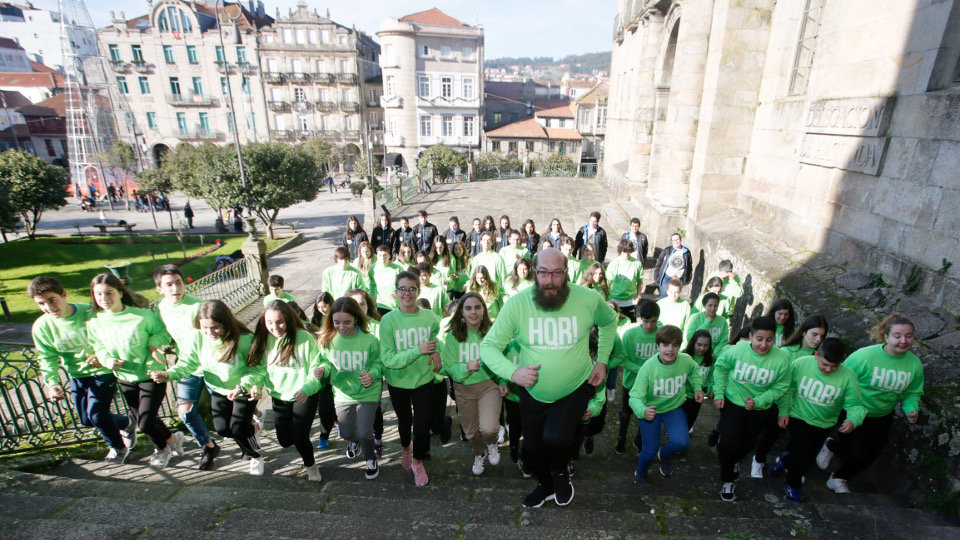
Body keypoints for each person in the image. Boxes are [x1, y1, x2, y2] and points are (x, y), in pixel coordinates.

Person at [480, 248, 617, 508]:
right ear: (534, 272)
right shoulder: (518, 304)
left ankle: (561, 473)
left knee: (556, 438)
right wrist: (513, 372)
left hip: (576, 386)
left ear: (567, 273)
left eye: (557, 273)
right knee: (531, 454)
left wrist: (602, 360)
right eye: (543, 273)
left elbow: (609, 322)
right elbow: (488, 348)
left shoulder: (588, 298)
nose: (550, 280)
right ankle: (546, 484)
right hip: (533, 392)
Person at [30, 276, 137, 464]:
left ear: (63, 295)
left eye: (52, 300)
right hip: (77, 375)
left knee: (97, 415)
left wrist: (102, 356)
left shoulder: (88, 312)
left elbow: (113, 334)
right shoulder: (41, 327)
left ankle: (118, 448)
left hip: (102, 370)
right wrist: (52, 383)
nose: (49, 307)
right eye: (41, 304)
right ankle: (126, 423)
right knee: (87, 420)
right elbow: (47, 357)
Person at [816, 313, 923, 495]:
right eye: (897, 336)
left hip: (882, 414)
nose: (903, 341)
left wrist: (911, 409)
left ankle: (838, 478)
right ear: (886, 337)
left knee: (871, 454)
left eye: (909, 336)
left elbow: (912, 392)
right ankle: (832, 445)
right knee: (853, 450)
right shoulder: (864, 357)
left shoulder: (914, 364)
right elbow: (841, 378)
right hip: (854, 410)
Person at [152, 301, 264, 472]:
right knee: (224, 429)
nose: (209, 332)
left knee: (238, 428)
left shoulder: (243, 339)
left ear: (226, 323)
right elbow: (188, 363)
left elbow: (258, 367)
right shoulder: (197, 337)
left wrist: (244, 385)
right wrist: (169, 374)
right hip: (219, 389)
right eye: (205, 327)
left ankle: (255, 456)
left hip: (243, 389)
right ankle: (252, 428)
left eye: (215, 327)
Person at [86, 273, 184, 467]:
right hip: (125, 378)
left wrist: (153, 345)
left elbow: (163, 333)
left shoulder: (142, 316)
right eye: (98, 295)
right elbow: (98, 346)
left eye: (109, 293)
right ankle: (173, 440)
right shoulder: (95, 321)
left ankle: (163, 451)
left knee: (144, 423)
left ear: (120, 293)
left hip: (151, 374)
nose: (104, 299)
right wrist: (107, 360)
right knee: (148, 418)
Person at [768, 338, 866, 502]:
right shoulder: (801, 364)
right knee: (804, 457)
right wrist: (784, 411)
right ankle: (793, 485)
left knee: (802, 450)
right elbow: (786, 388)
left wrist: (853, 420)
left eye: (834, 366)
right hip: (798, 416)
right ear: (816, 355)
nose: (828, 369)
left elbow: (857, 405)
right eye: (824, 364)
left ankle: (785, 460)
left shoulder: (849, 377)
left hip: (824, 423)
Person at [711, 316, 792, 501]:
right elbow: (721, 368)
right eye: (759, 339)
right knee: (727, 443)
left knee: (748, 444)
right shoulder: (737, 350)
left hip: (759, 409)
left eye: (769, 340)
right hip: (733, 403)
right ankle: (728, 479)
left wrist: (760, 400)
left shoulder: (781, 359)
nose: (763, 344)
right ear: (751, 336)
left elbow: (782, 387)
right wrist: (719, 393)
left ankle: (733, 461)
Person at [153, 265, 219, 469]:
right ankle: (208, 446)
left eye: (178, 282)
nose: (175, 288)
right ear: (160, 289)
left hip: (212, 366)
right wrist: (155, 344)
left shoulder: (199, 306)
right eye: (169, 284)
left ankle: (250, 437)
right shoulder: (160, 307)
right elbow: (164, 331)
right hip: (187, 366)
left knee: (228, 415)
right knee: (186, 412)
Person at [379, 271, 442, 486]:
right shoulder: (388, 321)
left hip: (424, 379)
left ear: (419, 291)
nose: (407, 293)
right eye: (402, 289)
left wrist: (435, 351)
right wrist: (418, 350)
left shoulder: (428, 316)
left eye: (412, 288)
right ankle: (406, 447)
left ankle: (418, 460)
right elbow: (388, 359)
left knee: (423, 425)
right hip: (398, 382)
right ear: (395, 293)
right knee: (405, 422)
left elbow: (435, 336)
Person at [249, 300, 323, 480]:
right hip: (279, 395)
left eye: (280, 321)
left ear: (289, 319)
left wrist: (307, 388)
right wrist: (256, 385)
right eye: (270, 322)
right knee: (284, 441)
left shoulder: (304, 338)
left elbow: (317, 366)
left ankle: (310, 465)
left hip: (304, 395)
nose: (275, 327)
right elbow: (258, 368)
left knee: (300, 437)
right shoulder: (264, 339)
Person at [316, 297, 383, 479]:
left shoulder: (369, 340)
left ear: (356, 319)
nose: (342, 327)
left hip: (368, 392)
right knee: (345, 432)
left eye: (347, 322)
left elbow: (378, 363)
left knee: (364, 431)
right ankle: (354, 442)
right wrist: (322, 369)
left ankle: (371, 459)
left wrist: (373, 374)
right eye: (337, 322)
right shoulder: (329, 340)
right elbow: (325, 361)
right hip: (343, 393)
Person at [440, 292, 505, 475]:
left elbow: (503, 359)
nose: (473, 312)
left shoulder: (493, 333)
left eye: (477, 307)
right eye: (468, 308)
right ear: (461, 312)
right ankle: (479, 453)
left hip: (488, 385)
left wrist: (502, 380)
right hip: (463, 389)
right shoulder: (453, 337)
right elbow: (449, 367)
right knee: (470, 432)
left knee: (490, 428)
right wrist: (466, 368)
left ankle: (492, 443)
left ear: (484, 310)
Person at [630, 325, 703, 483]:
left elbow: (694, 370)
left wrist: (697, 387)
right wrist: (642, 410)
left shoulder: (685, 360)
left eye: (675, 345)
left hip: (673, 408)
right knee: (649, 451)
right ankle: (641, 472)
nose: (670, 350)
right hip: (651, 411)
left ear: (680, 346)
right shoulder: (648, 368)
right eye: (665, 345)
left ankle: (664, 455)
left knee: (681, 442)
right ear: (657, 346)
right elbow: (634, 396)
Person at [346, 288, 386, 457]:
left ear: (368, 306)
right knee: (351, 412)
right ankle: (354, 439)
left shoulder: (378, 326)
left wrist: (373, 372)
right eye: (354, 304)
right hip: (349, 378)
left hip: (372, 377)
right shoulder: (345, 325)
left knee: (374, 411)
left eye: (362, 303)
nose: (359, 307)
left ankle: (377, 439)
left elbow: (383, 353)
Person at [617, 300, 661, 454]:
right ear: (640, 318)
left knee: (647, 413)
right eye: (646, 322)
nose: (650, 326)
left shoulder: (661, 333)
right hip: (631, 383)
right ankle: (621, 438)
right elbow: (623, 359)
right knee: (626, 413)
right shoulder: (630, 335)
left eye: (653, 322)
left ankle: (639, 439)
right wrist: (643, 370)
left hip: (652, 384)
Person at [681, 329, 715, 431]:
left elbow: (712, 376)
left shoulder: (711, 358)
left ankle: (686, 431)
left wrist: (711, 389)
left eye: (706, 345)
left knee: (691, 418)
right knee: (680, 418)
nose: (702, 348)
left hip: (699, 396)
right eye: (699, 344)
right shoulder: (684, 356)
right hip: (683, 394)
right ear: (693, 343)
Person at [606, 239, 644, 322]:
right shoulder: (614, 263)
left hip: (630, 301)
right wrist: (608, 299)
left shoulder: (637, 263)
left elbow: (640, 281)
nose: (627, 254)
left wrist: (638, 296)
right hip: (615, 300)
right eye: (624, 251)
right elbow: (607, 282)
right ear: (620, 251)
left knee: (631, 325)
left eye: (629, 251)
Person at [683, 292, 730, 358]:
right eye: (710, 305)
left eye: (715, 305)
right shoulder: (695, 317)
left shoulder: (722, 321)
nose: (713, 308)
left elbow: (724, 340)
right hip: (694, 355)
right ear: (704, 305)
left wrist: (713, 354)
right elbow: (690, 337)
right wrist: (707, 323)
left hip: (713, 357)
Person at [653, 233, 692, 299]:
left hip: (679, 278)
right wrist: (656, 276)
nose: (676, 242)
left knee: (675, 298)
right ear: (672, 241)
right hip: (667, 277)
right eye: (674, 240)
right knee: (663, 297)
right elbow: (659, 263)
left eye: (677, 239)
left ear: (680, 240)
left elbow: (689, 266)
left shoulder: (686, 252)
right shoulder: (667, 250)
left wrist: (689, 278)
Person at [370, 246, 403, 316]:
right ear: (377, 256)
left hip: (395, 305)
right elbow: (372, 285)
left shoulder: (397, 268)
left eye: (385, 255)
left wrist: (398, 295)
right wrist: (372, 300)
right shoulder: (373, 268)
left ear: (389, 256)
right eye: (380, 255)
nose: (382, 258)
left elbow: (403, 285)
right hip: (381, 305)